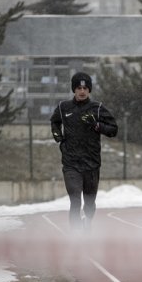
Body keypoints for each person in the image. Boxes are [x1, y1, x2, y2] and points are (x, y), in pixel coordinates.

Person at [50, 72, 118, 231]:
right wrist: (57, 135)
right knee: (75, 200)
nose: (82, 91)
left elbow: (113, 130)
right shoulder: (63, 107)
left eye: (85, 88)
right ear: (74, 89)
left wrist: (97, 125)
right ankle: (75, 232)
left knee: (89, 203)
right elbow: (54, 122)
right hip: (71, 163)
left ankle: (87, 221)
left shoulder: (97, 108)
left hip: (91, 164)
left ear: (89, 90)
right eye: (79, 88)